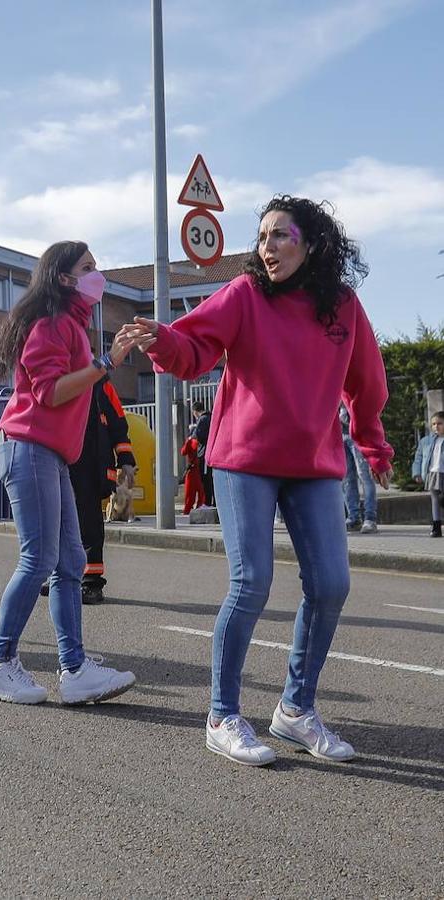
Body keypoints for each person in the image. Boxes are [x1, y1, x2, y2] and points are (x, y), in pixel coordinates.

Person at [127, 195, 392, 767]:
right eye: (263, 236)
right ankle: (222, 716)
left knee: (331, 584)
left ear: (312, 243)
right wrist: (161, 340)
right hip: (243, 457)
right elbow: (195, 347)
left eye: (281, 236)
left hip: (312, 461)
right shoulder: (244, 295)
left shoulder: (342, 306)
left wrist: (372, 442)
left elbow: (365, 379)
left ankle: (296, 711)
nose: (267, 247)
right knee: (252, 581)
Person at [0, 240, 138, 706]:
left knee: (70, 564)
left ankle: (75, 670)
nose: (96, 274)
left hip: (49, 454)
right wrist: (106, 364)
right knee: (40, 560)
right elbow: (49, 393)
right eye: (87, 267)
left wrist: (106, 360)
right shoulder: (51, 324)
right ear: (64, 278)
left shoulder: (71, 325)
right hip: (28, 446)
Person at [67, 376, 135, 604]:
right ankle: (64, 577)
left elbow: (118, 424)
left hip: (91, 467)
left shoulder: (101, 384)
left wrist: (125, 459)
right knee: (62, 524)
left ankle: (91, 583)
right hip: (64, 464)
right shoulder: (59, 375)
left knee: (89, 525)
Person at [340, 406, 378, 532]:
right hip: (340, 435)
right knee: (346, 479)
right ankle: (353, 517)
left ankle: (370, 518)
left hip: (359, 435)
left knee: (365, 476)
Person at [413, 410, 444, 537]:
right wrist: (417, 473)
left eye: (440, 423)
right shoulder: (426, 441)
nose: (436, 426)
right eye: (433, 424)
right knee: (435, 499)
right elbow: (418, 457)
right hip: (432, 473)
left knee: (442, 499)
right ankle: (436, 526)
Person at [191, 401, 214, 507]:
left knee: (205, 479)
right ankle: (213, 502)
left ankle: (207, 502)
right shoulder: (212, 417)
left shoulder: (202, 420)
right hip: (212, 452)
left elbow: (197, 435)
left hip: (204, 453)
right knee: (211, 479)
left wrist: (192, 433)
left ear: (195, 411)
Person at [180, 434, 206, 515]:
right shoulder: (197, 442)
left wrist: (188, 441)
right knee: (199, 492)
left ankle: (188, 510)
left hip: (194, 471)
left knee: (191, 493)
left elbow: (183, 452)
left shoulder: (191, 442)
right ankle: (196, 508)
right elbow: (183, 452)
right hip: (197, 471)